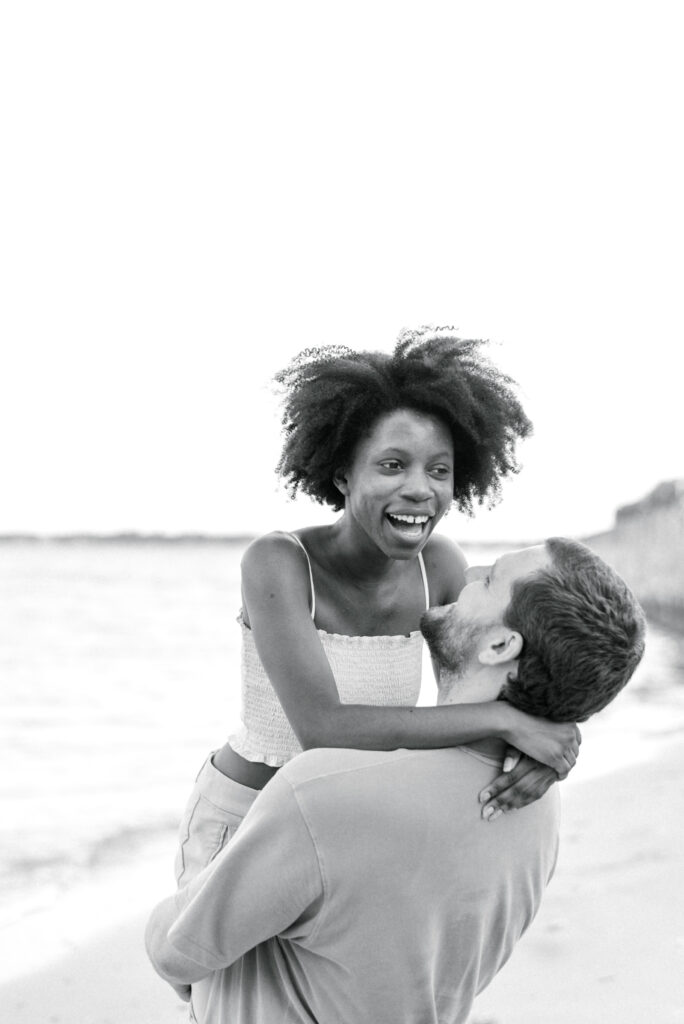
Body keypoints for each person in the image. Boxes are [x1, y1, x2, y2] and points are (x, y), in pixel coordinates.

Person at [173, 328, 580, 1017]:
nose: (419, 489)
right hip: (242, 823)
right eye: (392, 465)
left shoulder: (440, 568)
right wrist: (505, 720)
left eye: (440, 470)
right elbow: (322, 727)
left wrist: (549, 740)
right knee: (218, 997)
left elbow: (502, 666)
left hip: (350, 831)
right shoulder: (276, 565)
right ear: (342, 474)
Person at [146, 537, 645, 1024]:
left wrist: (163, 923)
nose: (466, 574)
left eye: (489, 579)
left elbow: (177, 957)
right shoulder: (539, 806)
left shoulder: (320, 794)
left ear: (500, 645)